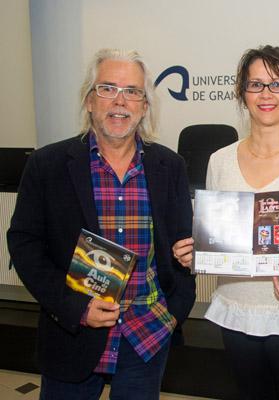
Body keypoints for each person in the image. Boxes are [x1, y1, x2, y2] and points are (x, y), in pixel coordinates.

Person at [7, 48, 196, 399]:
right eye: (107, 88)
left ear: (144, 106)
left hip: (147, 331)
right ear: (89, 101)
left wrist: (175, 312)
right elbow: (24, 244)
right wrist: (75, 309)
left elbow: (184, 249)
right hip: (73, 332)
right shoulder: (47, 165)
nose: (120, 101)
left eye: (132, 92)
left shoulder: (170, 166)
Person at [173, 45, 279, 399]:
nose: (267, 95)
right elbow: (221, 233)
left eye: (278, 84)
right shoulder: (220, 161)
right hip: (237, 310)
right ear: (241, 93)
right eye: (256, 85)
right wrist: (196, 251)